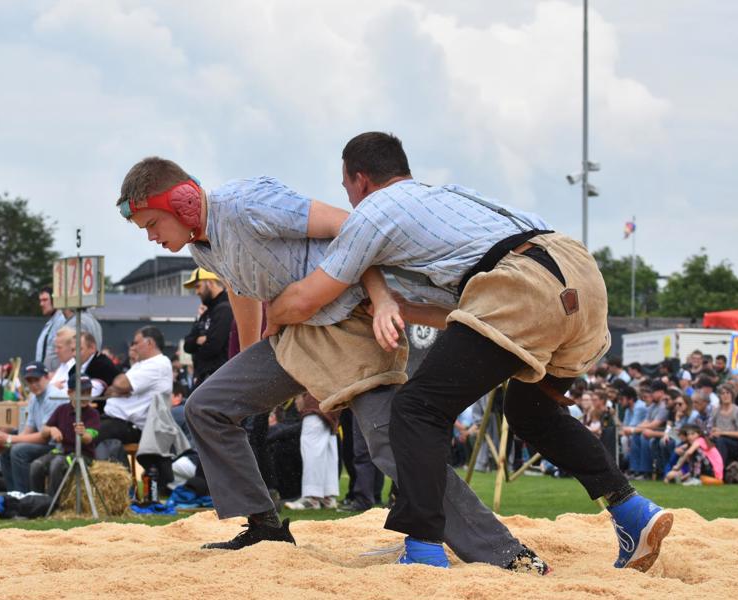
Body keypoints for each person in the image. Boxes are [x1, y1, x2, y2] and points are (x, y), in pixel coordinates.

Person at [114, 155, 545, 573]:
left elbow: (354, 229)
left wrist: (380, 300)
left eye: (152, 223)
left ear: (183, 201)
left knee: (392, 445)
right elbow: (242, 292)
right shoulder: (203, 246)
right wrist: (248, 367)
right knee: (207, 405)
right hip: (297, 335)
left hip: (349, 328)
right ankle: (264, 526)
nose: (151, 237)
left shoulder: (248, 203)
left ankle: (504, 553)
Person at [266, 132, 671, 570]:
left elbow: (310, 297)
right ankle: (630, 508)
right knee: (532, 412)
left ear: (360, 179)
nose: (346, 195)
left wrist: (272, 316)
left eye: (346, 186)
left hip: (519, 284)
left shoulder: (374, 211)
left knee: (416, 410)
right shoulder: (449, 197)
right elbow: (467, 313)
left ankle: (423, 548)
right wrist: (398, 306)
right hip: (579, 273)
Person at [0, 361, 67, 493]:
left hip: (60, 447)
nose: (33, 384)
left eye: (36, 379)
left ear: (47, 377)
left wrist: (9, 439)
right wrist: (6, 442)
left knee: (18, 451)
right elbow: (28, 430)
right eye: (30, 381)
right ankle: (14, 494)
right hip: (48, 443)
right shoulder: (34, 398)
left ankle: (25, 497)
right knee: (7, 450)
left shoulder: (53, 397)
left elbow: (44, 437)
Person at [99, 326, 172, 454]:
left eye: (136, 343)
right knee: (80, 430)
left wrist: (121, 388)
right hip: (115, 420)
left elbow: (120, 384)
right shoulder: (142, 364)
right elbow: (110, 391)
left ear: (149, 343)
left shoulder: (158, 363)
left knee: (87, 437)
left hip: (130, 426)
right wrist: (121, 389)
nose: (133, 347)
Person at [30, 376, 101, 495]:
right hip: (63, 453)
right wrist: (52, 429)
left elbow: (89, 438)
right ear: (70, 393)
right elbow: (44, 430)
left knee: (56, 464)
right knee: (36, 465)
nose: (85, 396)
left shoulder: (93, 414)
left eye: (88, 392)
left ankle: (53, 503)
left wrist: (83, 434)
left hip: (84, 456)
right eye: (81, 392)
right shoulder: (61, 409)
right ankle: (37, 500)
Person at [284, 394, 340, 510]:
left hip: (315, 400)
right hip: (333, 398)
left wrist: (299, 395)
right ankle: (328, 497)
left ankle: (311, 498)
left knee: (312, 449)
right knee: (328, 449)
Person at [182, 268, 234, 389]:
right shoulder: (206, 312)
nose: (197, 292)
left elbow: (213, 347)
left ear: (209, 283)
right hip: (205, 378)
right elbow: (187, 345)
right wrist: (197, 341)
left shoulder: (224, 309)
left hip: (218, 379)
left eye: (198, 286)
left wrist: (199, 346)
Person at [35, 286, 67, 371]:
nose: (41, 304)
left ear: (54, 300)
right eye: (40, 300)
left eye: (45, 300)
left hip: (54, 376)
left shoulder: (62, 320)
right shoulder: (51, 323)